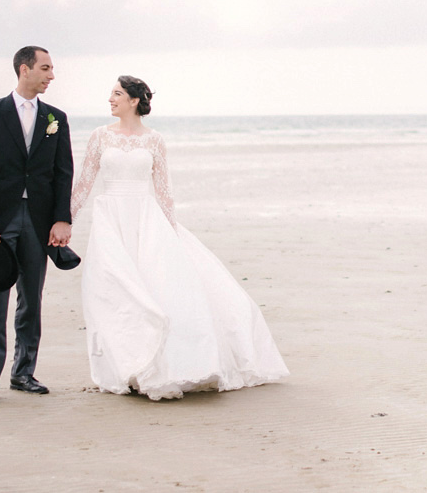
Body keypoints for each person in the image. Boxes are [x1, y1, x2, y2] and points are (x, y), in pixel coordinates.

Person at [70, 76, 289, 400]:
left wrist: (171, 231)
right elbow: (84, 182)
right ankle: (125, 366)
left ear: (133, 100)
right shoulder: (100, 136)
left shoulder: (154, 140)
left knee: (155, 290)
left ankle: (158, 365)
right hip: (111, 221)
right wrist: (66, 221)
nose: (110, 99)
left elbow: (164, 190)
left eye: (116, 94)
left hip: (147, 221)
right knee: (114, 291)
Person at [0, 46, 73, 406]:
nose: (51, 75)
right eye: (45, 68)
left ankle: (23, 372)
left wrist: (62, 219)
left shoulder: (55, 117)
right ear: (24, 69)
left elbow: (63, 173)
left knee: (32, 298)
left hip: (40, 221)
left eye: (52, 69)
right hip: (1, 218)